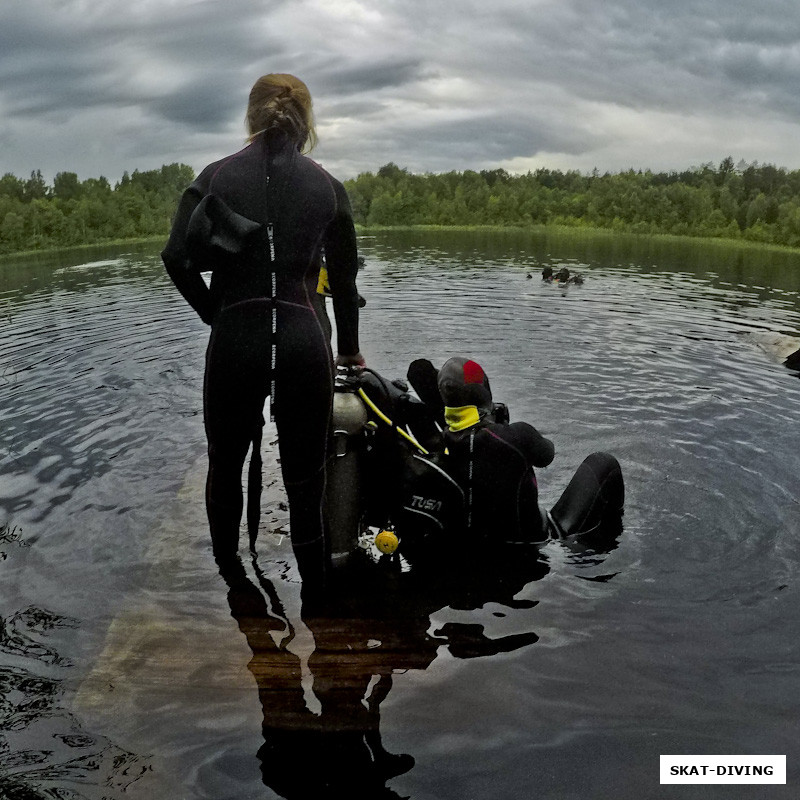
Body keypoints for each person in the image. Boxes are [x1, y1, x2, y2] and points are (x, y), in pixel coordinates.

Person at [161, 73, 365, 584]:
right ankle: (317, 596)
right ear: (307, 119)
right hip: (305, 340)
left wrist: (214, 313)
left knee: (225, 466)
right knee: (305, 477)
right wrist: (351, 352)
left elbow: (176, 257)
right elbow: (343, 281)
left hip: (236, 338)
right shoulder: (328, 186)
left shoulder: (216, 176)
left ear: (251, 116)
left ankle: (235, 588)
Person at [436, 357, 555, 543]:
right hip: (527, 545)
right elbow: (547, 455)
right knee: (603, 463)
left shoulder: (441, 441)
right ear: (485, 391)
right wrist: (503, 425)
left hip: (472, 545)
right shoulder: (517, 436)